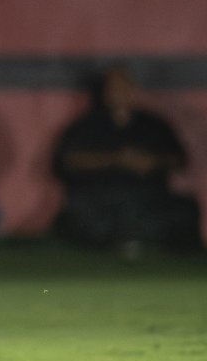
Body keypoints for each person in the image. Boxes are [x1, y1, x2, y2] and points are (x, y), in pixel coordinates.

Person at [52, 65, 201, 254]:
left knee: (183, 211)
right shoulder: (86, 126)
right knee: (77, 219)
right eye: (113, 87)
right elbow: (67, 161)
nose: (118, 93)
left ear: (132, 90)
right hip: (100, 200)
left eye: (123, 87)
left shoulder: (154, 125)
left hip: (148, 199)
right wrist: (114, 159)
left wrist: (153, 161)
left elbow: (179, 160)